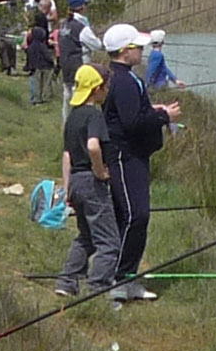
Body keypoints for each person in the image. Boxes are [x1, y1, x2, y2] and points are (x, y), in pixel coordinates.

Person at [101, 23, 180, 305]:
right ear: (125, 51)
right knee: (135, 216)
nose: (142, 50)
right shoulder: (121, 81)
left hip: (137, 156)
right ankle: (116, 280)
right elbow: (131, 123)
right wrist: (163, 117)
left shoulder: (128, 77)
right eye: (137, 46)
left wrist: (156, 110)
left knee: (136, 217)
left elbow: (136, 112)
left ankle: (128, 277)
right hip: (125, 157)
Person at [53, 64, 121, 300]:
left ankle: (67, 281)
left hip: (75, 183)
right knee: (109, 242)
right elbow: (93, 146)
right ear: (97, 89)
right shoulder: (94, 115)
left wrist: (67, 187)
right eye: (106, 87)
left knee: (86, 236)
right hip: (91, 182)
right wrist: (101, 172)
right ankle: (97, 289)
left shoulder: (73, 117)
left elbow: (67, 155)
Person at [24, 0, 54, 104]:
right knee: (37, 73)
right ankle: (37, 97)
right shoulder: (41, 18)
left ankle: (36, 96)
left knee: (34, 72)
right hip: (39, 47)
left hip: (32, 47)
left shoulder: (34, 13)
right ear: (46, 7)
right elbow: (37, 32)